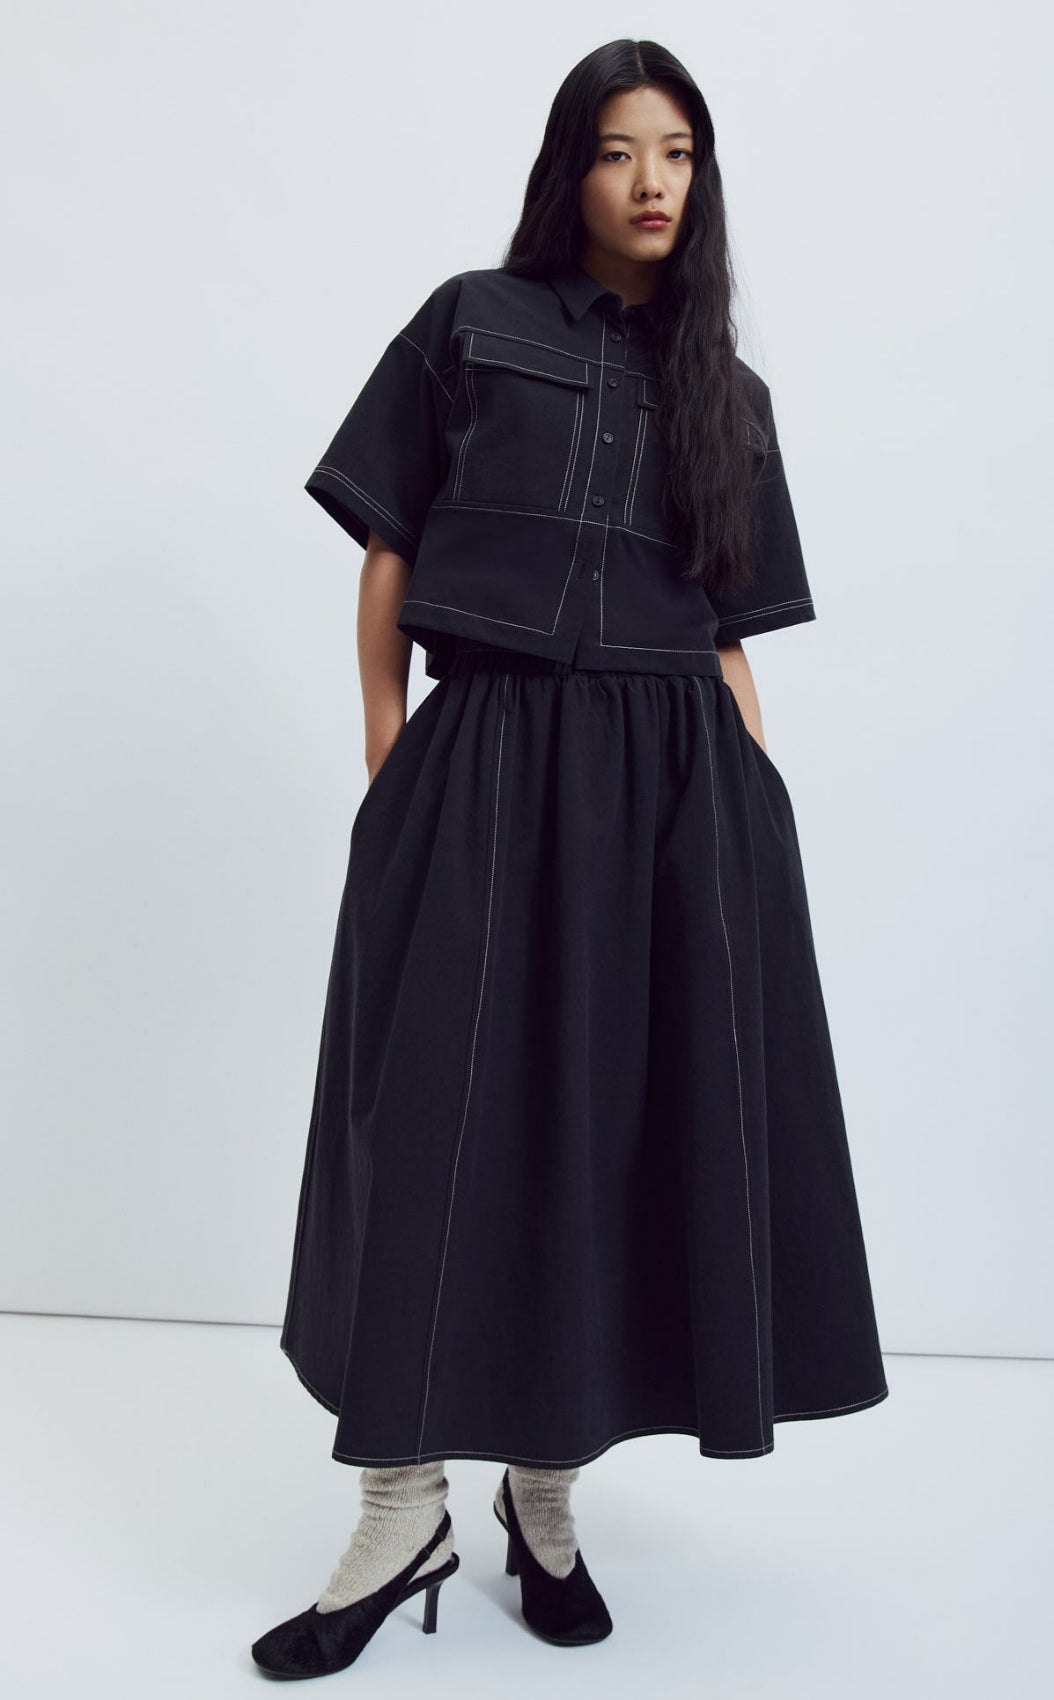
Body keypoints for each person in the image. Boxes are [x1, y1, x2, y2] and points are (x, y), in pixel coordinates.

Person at [251, 37, 889, 1681]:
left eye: (677, 150)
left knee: (603, 1140)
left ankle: (545, 1499)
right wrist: (390, 759)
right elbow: (388, 541)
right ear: (570, 169)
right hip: (484, 761)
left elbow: (729, 635)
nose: (651, 179)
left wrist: (751, 813)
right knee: (427, 1125)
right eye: (618, 149)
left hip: (675, 796)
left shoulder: (727, 397)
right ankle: (397, 1510)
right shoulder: (472, 322)